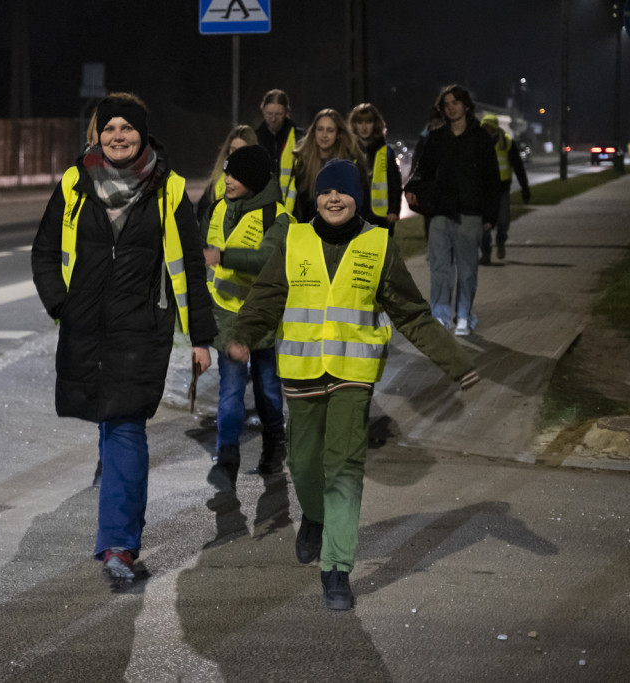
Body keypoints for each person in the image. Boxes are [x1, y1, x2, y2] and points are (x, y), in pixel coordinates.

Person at [222, 159, 479, 610]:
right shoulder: (295, 238)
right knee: (302, 464)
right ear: (315, 198)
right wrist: (241, 334)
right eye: (325, 193)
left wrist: (456, 362)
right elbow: (266, 296)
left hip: (352, 377)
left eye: (342, 192)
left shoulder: (378, 245)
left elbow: (412, 312)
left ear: (356, 198)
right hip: (301, 374)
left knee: (343, 467)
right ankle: (315, 519)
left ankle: (337, 568)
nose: (333, 199)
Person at [31, 93, 217, 582]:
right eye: (109, 127)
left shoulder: (169, 189)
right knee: (107, 425)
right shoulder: (75, 182)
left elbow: (190, 269)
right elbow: (45, 252)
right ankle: (116, 516)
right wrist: (61, 306)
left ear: (142, 134)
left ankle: (119, 545)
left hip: (141, 329)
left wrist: (202, 336)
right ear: (98, 134)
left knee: (124, 428)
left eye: (127, 127)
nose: (118, 135)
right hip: (86, 328)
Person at [200, 144, 290, 492]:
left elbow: (266, 261)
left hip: (261, 317)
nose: (227, 179)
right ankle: (227, 459)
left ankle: (273, 450)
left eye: (234, 174)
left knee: (268, 390)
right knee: (231, 390)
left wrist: (222, 255)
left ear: (252, 179)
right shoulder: (217, 210)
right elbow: (201, 265)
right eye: (226, 172)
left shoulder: (279, 219)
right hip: (224, 317)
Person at [405, 84, 499, 336]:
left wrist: (491, 215)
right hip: (441, 212)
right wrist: (412, 186)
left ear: (466, 105)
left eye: (455, 102)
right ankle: (440, 316)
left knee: (467, 270)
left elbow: (492, 179)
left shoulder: (480, 139)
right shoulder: (437, 138)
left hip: (471, 213)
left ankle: (464, 316)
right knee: (439, 269)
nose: (450, 107)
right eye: (446, 104)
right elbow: (422, 169)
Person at [289, 108, 368, 224]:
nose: (324, 135)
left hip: (341, 230)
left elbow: (361, 204)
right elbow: (300, 205)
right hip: (309, 231)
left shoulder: (351, 165)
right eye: (320, 129)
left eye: (330, 130)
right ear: (314, 132)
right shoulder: (303, 162)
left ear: (338, 134)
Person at [478, 114, 531, 264]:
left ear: (495, 128)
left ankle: (501, 241)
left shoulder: (507, 143)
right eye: (484, 127)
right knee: (485, 223)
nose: (485, 130)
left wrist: (524, 187)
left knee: (503, 220)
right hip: (484, 191)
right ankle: (486, 252)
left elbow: (518, 167)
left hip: (501, 190)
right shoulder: (478, 143)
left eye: (488, 127)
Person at [348, 103, 402, 236]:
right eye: (360, 122)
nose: (364, 127)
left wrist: (394, 210)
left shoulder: (386, 151)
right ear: (354, 125)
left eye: (368, 122)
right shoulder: (349, 151)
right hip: (355, 215)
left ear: (375, 124)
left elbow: (395, 183)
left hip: (380, 216)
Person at [254, 89, 304, 213]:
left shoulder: (299, 137)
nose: (273, 118)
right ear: (262, 110)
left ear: (286, 112)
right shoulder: (254, 138)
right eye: (269, 114)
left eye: (279, 114)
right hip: (261, 206)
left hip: (294, 206)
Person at [196, 124, 259, 222]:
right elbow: (202, 216)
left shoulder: (260, 183)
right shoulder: (216, 182)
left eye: (242, 150)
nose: (236, 155)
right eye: (233, 149)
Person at [408, 106, 446, 242]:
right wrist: (413, 184)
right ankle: (431, 247)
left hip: (444, 186)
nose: (436, 125)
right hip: (427, 185)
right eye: (434, 121)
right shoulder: (424, 140)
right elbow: (416, 162)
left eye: (439, 121)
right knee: (429, 216)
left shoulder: (446, 137)